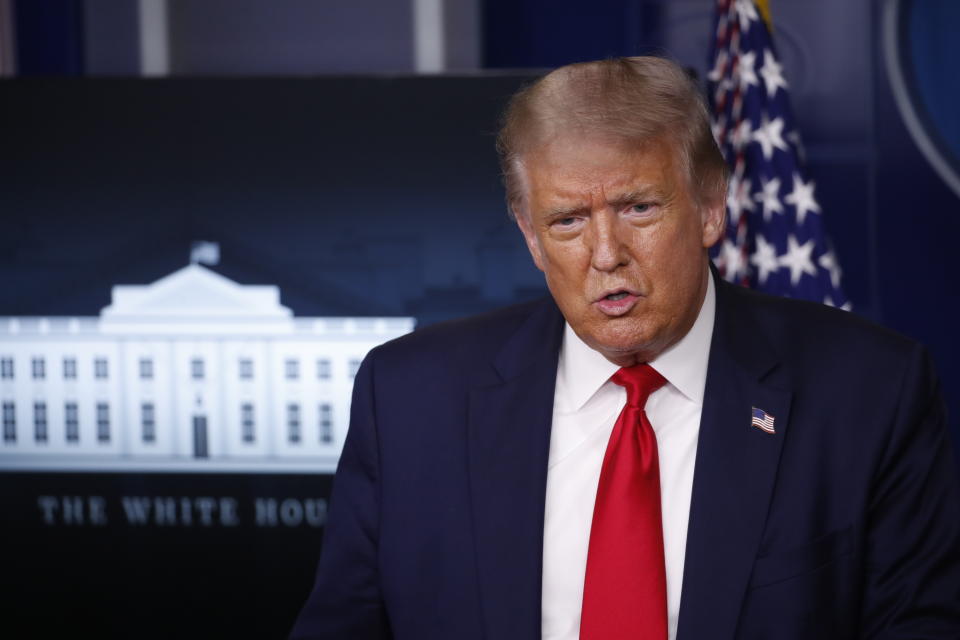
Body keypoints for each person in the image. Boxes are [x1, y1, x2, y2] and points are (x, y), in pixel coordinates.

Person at [289, 57, 960, 640]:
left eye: (639, 207)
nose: (605, 255)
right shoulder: (410, 397)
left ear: (709, 206)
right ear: (529, 235)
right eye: (568, 221)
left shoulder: (869, 393)